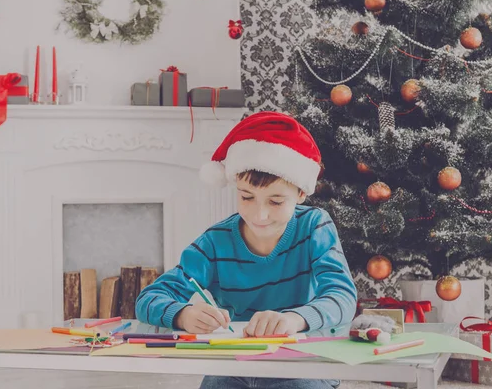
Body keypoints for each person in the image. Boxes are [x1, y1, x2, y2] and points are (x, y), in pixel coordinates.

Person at [135, 111, 357, 389]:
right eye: (246, 197)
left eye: (276, 201)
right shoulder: (215, 242)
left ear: (301, 193)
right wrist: (183, 314)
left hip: (306, 360)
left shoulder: (315, 226)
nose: (259, 214)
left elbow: (343, 297)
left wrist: (295, 319)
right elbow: (148, 298)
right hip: (236, 363)